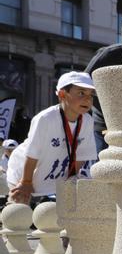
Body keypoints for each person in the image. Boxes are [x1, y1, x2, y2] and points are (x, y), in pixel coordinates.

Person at [6, 71, 99, 204]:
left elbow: (82, 156)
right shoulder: (45, 118)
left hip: (52, 175)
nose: (88, 99)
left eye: (91, 95)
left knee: (50, 219)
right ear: (62, 94)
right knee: (19, 215)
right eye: (81, 93)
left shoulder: (87, 121)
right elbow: (32, 154)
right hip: (24, 173)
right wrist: (25, 182)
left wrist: (70, 180)